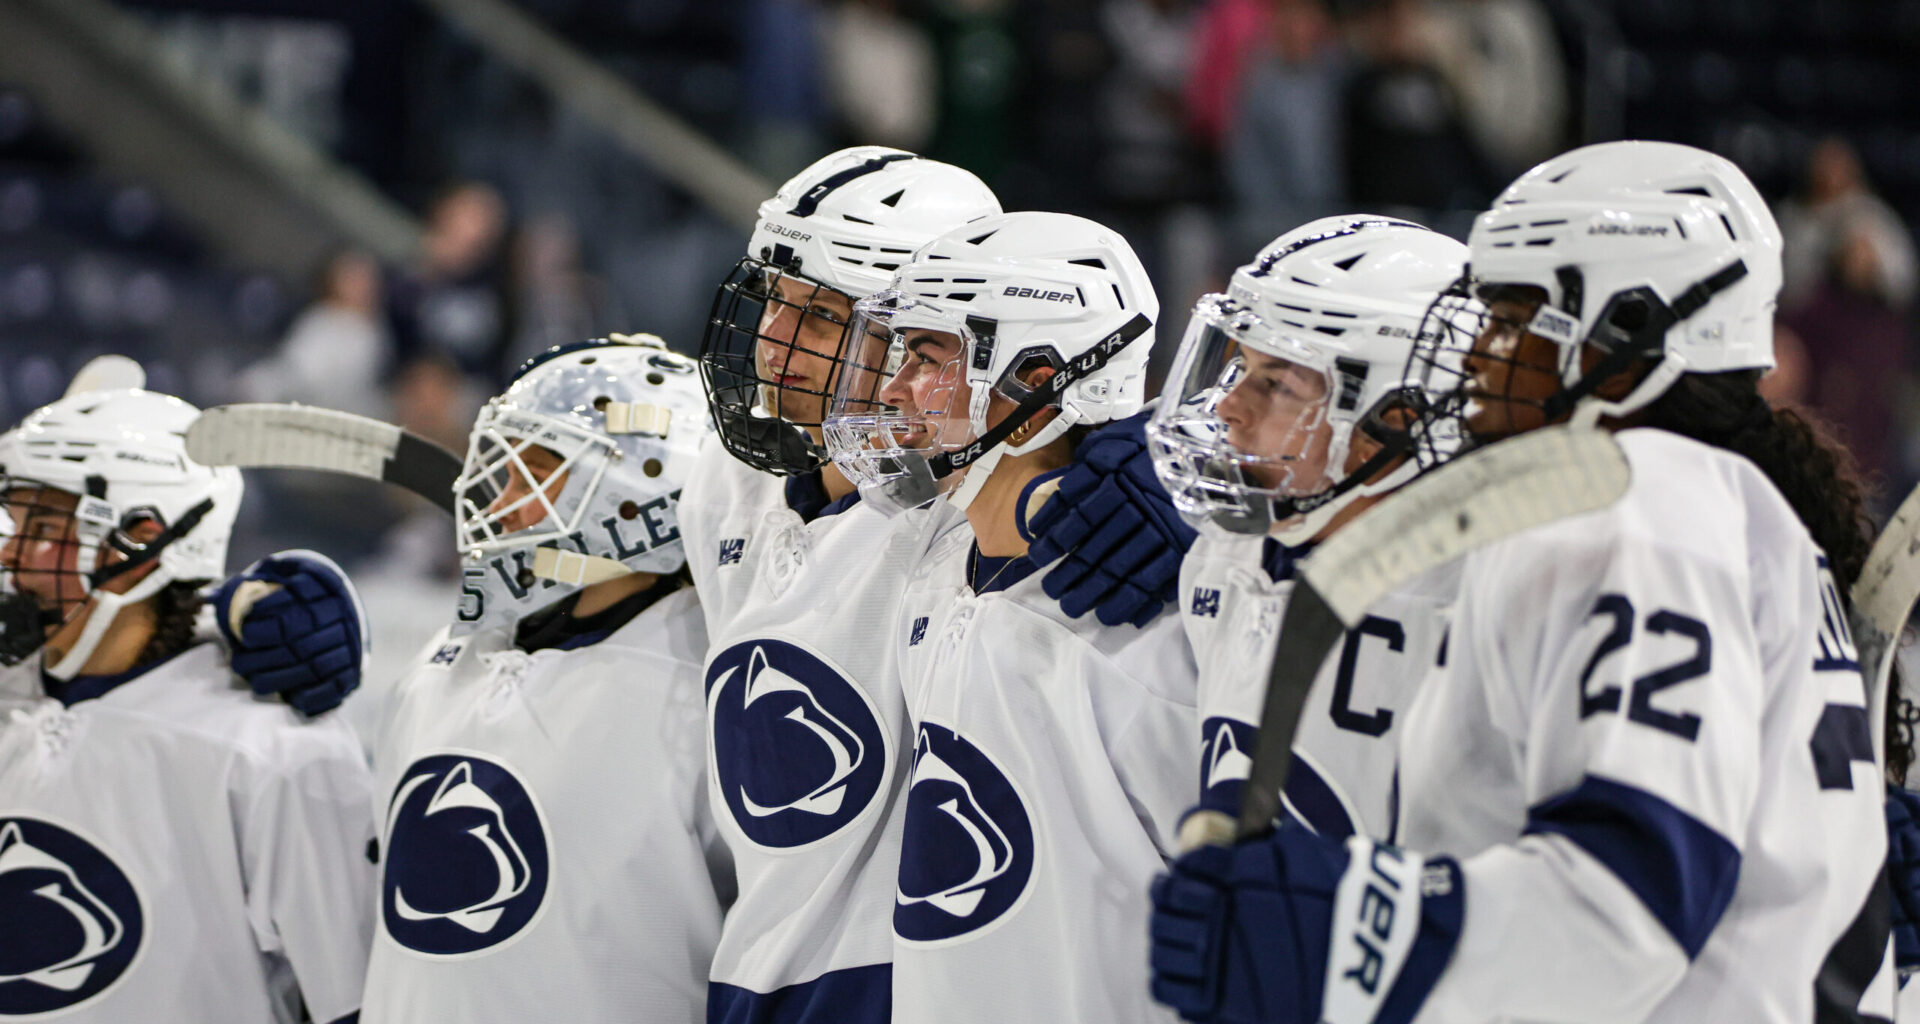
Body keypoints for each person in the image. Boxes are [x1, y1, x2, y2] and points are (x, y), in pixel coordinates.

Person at [1149, 140, 1902, 1023]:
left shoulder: (1639, 504)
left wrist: (1348, 924)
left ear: (1624, 341)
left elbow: (1635, 888)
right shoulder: (1713, 503)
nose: (1473, 359)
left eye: (1510, 324)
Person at [824, 210, 1195, 1024]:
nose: (890, 390)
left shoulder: (1155, 619)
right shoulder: (929, 567)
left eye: (925, 358)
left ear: (1032, 384)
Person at [689, 147, 1002, 1024]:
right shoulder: (724, 478)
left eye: (823, 320)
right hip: (749, 965)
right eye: (775, 302)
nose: (773, 343)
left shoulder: (984, 503)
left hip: (906, 982)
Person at [359, 335, 732, 1022]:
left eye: (534, 474)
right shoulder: (447, 659)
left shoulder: (715, 690)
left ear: (637, 491)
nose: (501, 506)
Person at [0, 385, 375, 1023]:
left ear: (137, 543)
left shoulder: (275, 748)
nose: (10, 553)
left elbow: (357, 1003)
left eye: (43, 528)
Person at [1147, 215, 1470, 843]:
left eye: (1276, 384)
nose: (1232, 408)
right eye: (1238, 369)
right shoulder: (1223, 559)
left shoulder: (1478, 601)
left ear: (1396, 422)